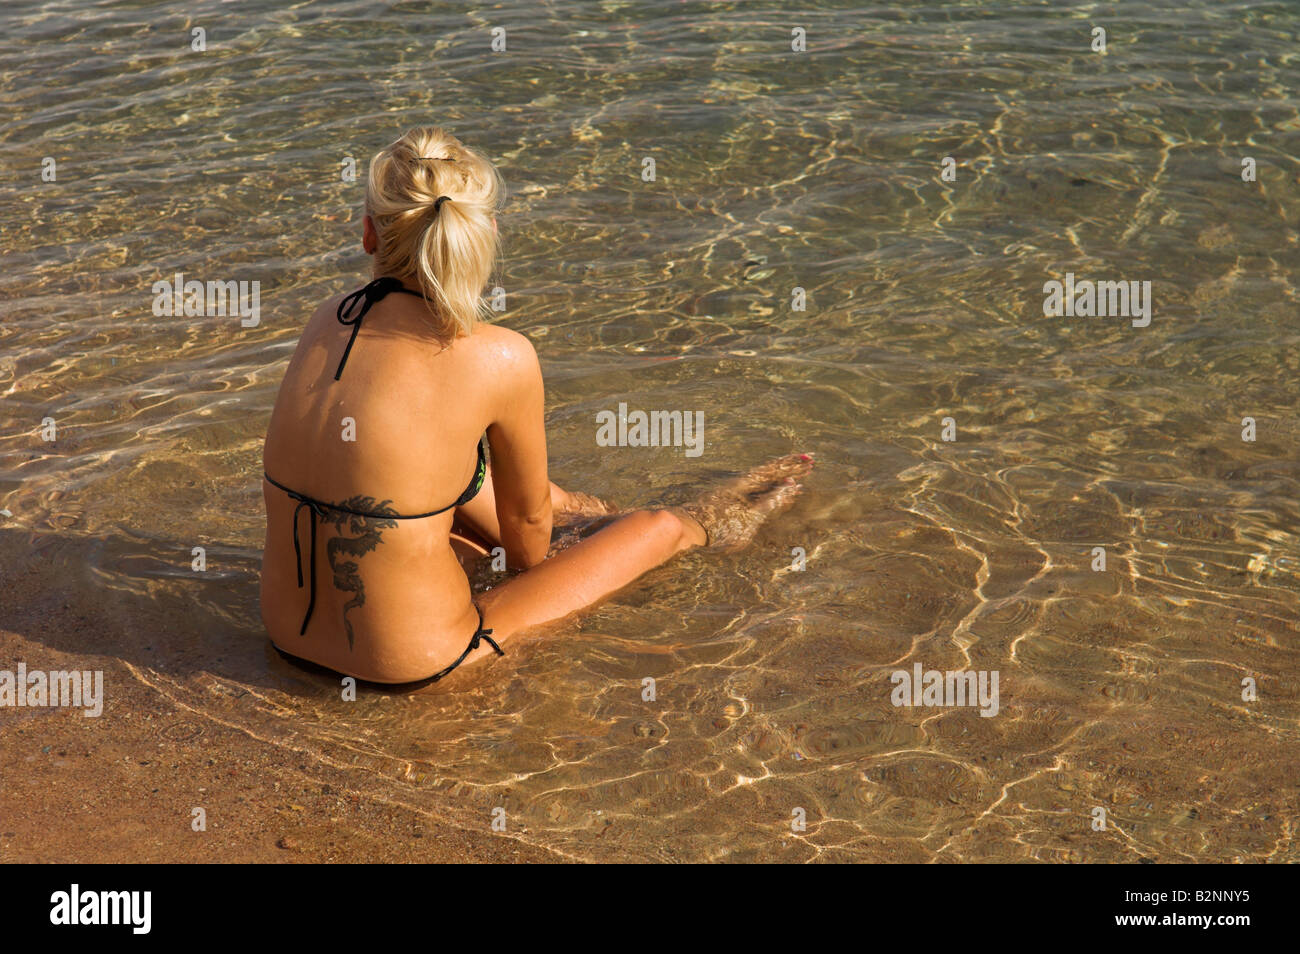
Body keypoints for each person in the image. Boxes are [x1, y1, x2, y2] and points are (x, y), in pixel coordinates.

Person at [259, 126, 811, 686]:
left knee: (459, 505)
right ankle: (717, 519)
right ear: (486, 233)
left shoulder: (328, 321)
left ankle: (591, 517)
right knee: (658, 526)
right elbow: (527, 547)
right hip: (421, 663)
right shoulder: (500, 355)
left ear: (369, 234)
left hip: (285, 638)